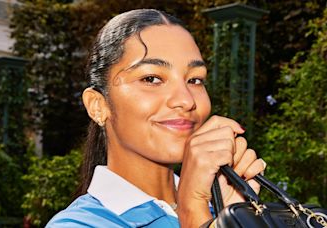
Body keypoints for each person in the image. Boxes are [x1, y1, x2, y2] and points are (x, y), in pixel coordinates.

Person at [46, 9, 266, 227]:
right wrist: (191, 211)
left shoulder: (222, 210)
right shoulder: (80, 223)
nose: (186, 100)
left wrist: (232, 217)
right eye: (151, 78)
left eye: (195, 80)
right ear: (98, 106)